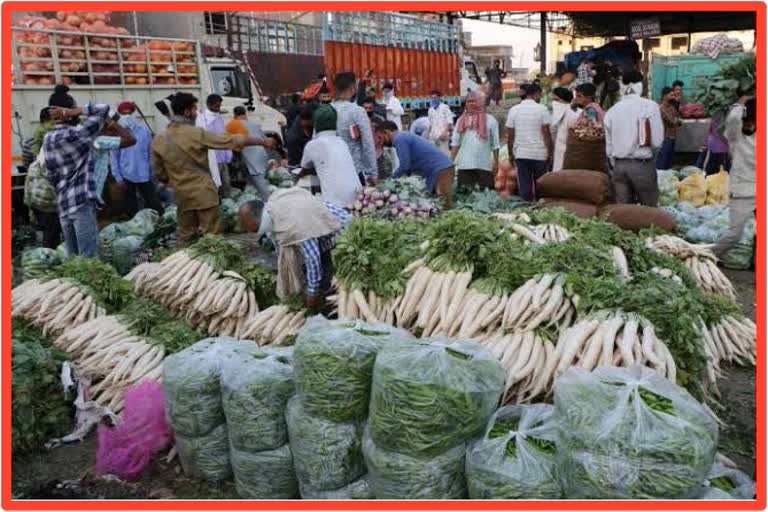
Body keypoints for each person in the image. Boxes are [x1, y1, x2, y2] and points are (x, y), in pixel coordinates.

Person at [151, 92, 274, 245]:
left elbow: (160, 174)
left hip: (182, 198)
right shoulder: (196, 134)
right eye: (194, 109)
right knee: (213, 240)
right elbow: (230, 140)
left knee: (186, 238)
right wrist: (262, 141)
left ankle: (188, 266)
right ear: (186, 112)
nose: (196, 113)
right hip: (204, 195)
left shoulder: (159, 139)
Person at [237, 189, 351, 310]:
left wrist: (312, 293)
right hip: (320, 234)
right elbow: (281, 247)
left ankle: (330, 307)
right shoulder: (273, 208)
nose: (244, 228)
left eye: (245, 223)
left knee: (328, 284)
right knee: (313, 274)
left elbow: (313, 257)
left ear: (256, 218)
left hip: (341, 234)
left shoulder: (294, 223)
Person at [43, 85, 110, 258]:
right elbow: (103, 109)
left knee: (73, 258)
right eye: (75, 108)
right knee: (88, 257)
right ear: (67, 110)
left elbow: (51, 175)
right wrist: (71, 112)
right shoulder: (78, 134)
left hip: (63, 205)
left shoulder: (48, 138)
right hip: (81, 203)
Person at [603, 70, 664, 206]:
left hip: (619, 167)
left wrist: (616, 163)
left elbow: (609, 147)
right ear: (640, 85)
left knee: (624, 212)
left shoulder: (612, 110)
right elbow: (657, 141)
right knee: (648, 210)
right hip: (641, 164)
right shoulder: (650, 106)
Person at [710, 97, 755, 259]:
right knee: (734, 235)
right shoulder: (736, 137)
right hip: (743, 192)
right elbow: (734, 120)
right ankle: (708, 255)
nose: (749, 125)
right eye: (747, 122)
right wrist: (741, 102)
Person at [376, 121, 455, 208]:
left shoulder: (399, 138)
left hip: (441, 169)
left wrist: (390, 180)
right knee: (438, 203)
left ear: (387, 132)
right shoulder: (403, 136)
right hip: (441, 169)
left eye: (380, 137)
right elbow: (409, 166)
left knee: (444, 204)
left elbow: (404, 166)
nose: (380, 141)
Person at [299, 105, 362, 208]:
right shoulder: (341, 142)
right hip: (357, 198)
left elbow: (305, 169)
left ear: (316, 124)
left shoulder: (312, 145)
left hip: (336, 202)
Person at [111, 101, 164, 217]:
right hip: (127, 174)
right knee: (131, 206)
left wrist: (153, 172)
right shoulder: (117, 133)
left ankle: (158, 222)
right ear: (119, 115)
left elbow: (150, 153)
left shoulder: (144, 131)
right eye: (124, 114)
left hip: (144, 173)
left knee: (153, 202)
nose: (127, 116)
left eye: (129, 113)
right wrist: (118, 178)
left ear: (133, 114)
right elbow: (114, 157)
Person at [505, 83, 552, 201]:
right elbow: (546, 133)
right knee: (541, 185)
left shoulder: (514, 110)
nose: (540, 97)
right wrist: (550, 152)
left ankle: (526, 209)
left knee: (524, 186)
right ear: (535, 94)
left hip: (521, 154)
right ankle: (541, 208)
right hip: (540, 154)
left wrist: (510, 154)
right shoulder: (542, 109)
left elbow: (510, 135)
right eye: (540, 94)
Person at [23, 107, 61, 248]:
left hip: (35, 194)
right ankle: (50, 252)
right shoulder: (53, 136)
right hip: (46, 197)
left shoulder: (31, 144)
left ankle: (48, 246)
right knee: (52, 231)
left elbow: (27, 164)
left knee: (47, 227)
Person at [331, 72, 378, 185]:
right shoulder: (357, 111)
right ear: (352, 87)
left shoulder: (326, 110)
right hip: (353, 169)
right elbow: (368, 143)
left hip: (331, 170)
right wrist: (373, 172)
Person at [450, 90, 500, 190]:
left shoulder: (490, 120)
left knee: (486, 197)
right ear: (466, 104)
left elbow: (495, 144)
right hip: (465, 165)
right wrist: (450, 163)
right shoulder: (461, 120)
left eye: (474, 101)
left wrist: (496, 163)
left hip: (484, 165)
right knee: (465, 197)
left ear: (481, 102)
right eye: (469, 101)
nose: (471, 103)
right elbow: (455, 144)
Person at [227, 106, 273, 201]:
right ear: (245, 114)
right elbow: (265, 140)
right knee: (254, 183)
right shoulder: (255, 124)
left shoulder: (233, 124)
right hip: (261, 154)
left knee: (260, 183)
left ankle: (269, 203)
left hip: (250, 157)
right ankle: (257, 203)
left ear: (235, 114)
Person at [198, 94, 233, 197]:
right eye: (217, 106)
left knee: (226, 182)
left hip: (222, 157)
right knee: (215, 185)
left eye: (219, 106)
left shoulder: (218, 117)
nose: (219, 108)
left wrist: (228, 154)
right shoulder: (203, 119)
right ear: (209, 105)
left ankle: (228, 202)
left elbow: (224, 135)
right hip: (212, 159)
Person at [550, 87, 578, 172]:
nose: (554, 102)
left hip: (569, 155)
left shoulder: (574, 115)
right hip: (559, 153)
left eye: (556, 99)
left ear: (563, 100)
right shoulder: (557, 115)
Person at [656, 86, 683, 170]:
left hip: (672, 137)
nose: (673, 97)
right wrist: (677, 121)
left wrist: (677, 120)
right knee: (662, 163)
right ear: (664, 96)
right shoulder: (661, 108)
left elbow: (678, 118)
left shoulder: (671, 107)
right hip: (665, 138)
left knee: (669, 162)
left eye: (673, 95)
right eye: (671, 95)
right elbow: (672, 121)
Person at [427, 89, 454, 155]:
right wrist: (428, 135)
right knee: (434, 155)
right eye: (432, 98)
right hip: (433, 136)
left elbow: (449, 121)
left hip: (443, 135)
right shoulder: (430, 110)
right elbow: (430, 123)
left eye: (435, 97)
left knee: (444, 154)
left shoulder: (445, 107)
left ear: (439, 98)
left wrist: (444, 133)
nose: (434, 99)